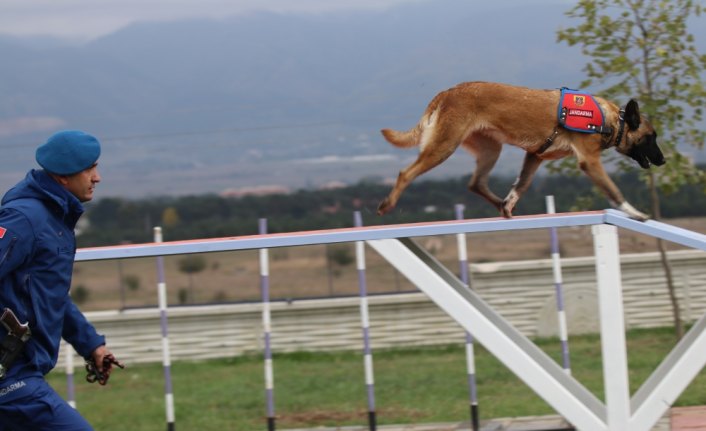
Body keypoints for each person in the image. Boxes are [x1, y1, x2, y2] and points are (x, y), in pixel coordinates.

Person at [0, 130, 120, 430]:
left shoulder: (52, 219)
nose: (97, 177)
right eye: (89, 168)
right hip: (12, 380)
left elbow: (47, 295)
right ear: (63, 176)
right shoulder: (25, 218)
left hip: (19, 373)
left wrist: (91, 345)